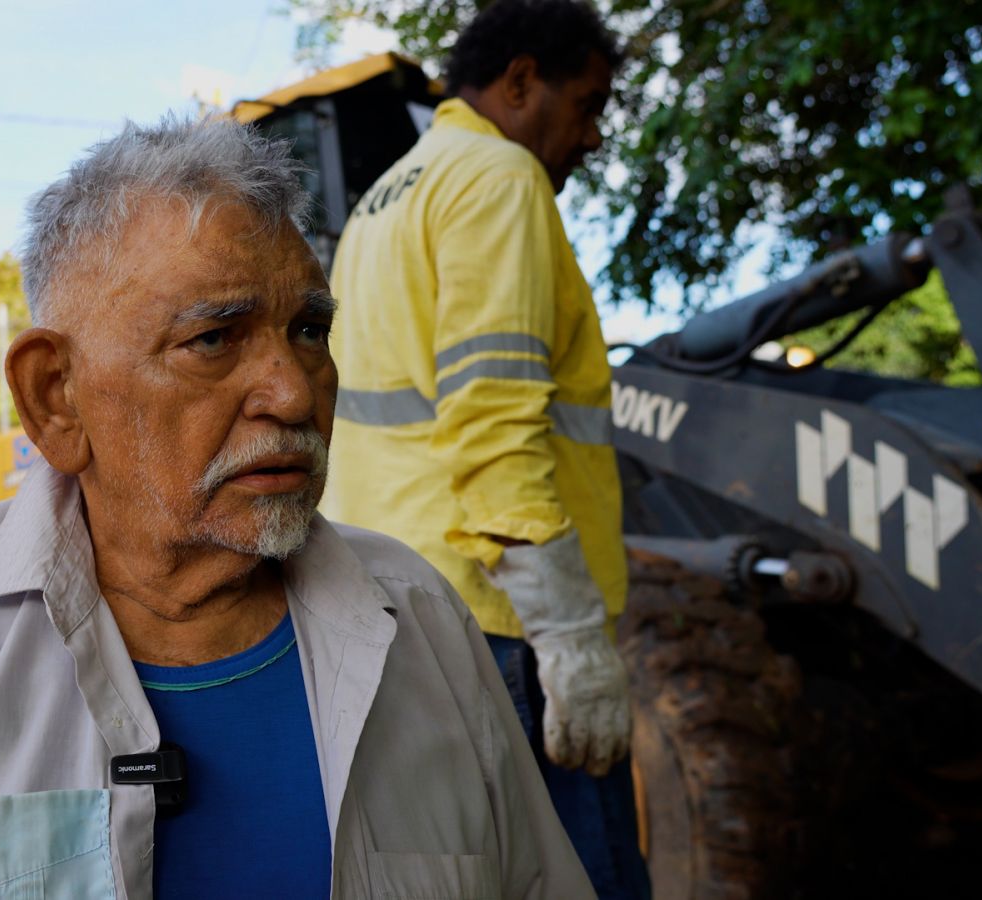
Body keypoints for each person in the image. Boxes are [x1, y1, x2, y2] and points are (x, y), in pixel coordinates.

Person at [0, 115, 592, 899]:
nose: (292, 391)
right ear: (56, 397)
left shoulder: (421, 621)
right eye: (213, 338)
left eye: (309, 330)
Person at [320, 1, 649, 897]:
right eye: (587, 105)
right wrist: (568, 632)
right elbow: (496, 422)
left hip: (400, 606)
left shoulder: (383, 202)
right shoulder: (500, 179)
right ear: (520, 81)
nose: (592, 137)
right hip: (505, 619)